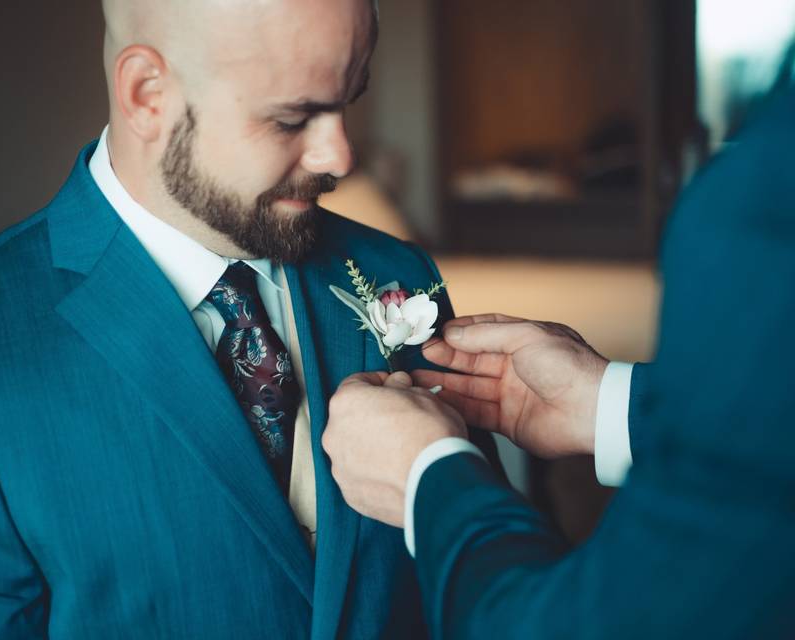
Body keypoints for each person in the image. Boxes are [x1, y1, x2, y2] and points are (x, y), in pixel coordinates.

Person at [0, 1, 501, 637]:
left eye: (347, 101)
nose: (340, 156)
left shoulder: (399, 277)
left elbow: (482, 588)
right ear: (148, 94)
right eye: (292, 118)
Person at [323, 86, 795, 639]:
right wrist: (606, 404)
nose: (340, 157)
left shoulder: (766, 200)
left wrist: (432, 480)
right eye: (290, 119)